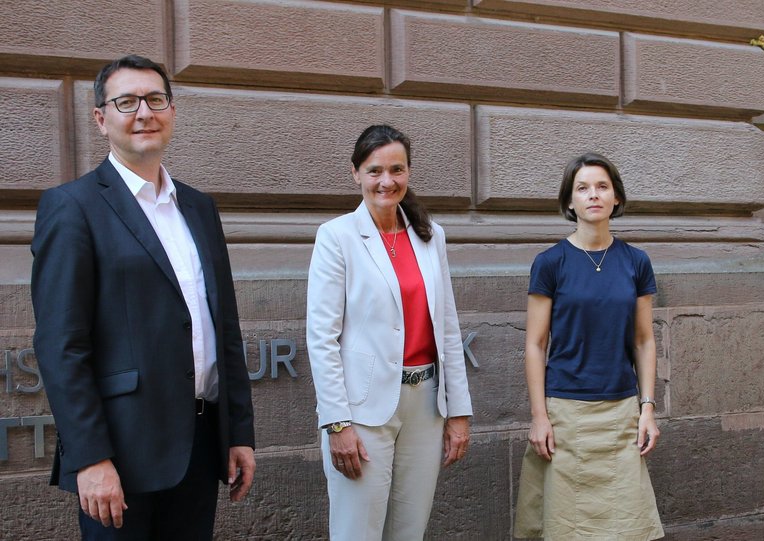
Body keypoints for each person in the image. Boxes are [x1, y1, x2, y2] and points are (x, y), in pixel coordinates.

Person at [30, 55, 256, 540]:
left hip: (198, 444)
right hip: (120, 453)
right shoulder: (73, 208)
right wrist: (90, 457)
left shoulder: (198, 207)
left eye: (155, 100)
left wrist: (237, 433)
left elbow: (224, 325)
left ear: (172, 110)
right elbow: (61, 347)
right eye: (126, 101)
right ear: (100, 118)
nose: (143, 112)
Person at [306, 124, 473, 540]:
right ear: (356, 174)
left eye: (396, 170)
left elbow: (447, 328)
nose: (386, 181)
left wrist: (459, 412)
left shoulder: (430, 236)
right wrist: (337, 424)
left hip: (425, 406)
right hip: (363, 411)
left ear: (408, 173)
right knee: (356, 532)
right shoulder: (337, 237)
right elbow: (321, 337)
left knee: (409, 531)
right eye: (374, 170)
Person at [514, 153, 664, 540]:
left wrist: (647, 408)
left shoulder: (636, 262)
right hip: (565, 415)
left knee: (627, 526)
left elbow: (644, 341)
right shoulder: (550, 263)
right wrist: (539, 416)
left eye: (602, 187)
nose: (593, 195)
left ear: (616, 198)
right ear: (569, 202)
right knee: (564, 526)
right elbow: (535, 344)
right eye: (582, 188)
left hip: (620, 416)